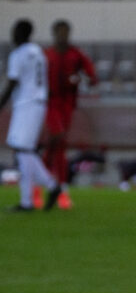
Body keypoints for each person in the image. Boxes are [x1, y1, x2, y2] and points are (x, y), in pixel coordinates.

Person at [0, 19, 60, 212]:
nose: (13, 35)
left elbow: (11, 84)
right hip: (37, 103)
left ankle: (31, 199)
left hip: (26, 103)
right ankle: (49, 187)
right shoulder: (38, 52)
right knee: (24, 150)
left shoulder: (18, 54)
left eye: (15, 31)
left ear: (21, 33)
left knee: (22, 150)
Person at [42, 20, 98, 209]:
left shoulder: (76, 55)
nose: (63, 36)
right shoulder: (46, 55)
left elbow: (92, 77)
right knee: (57, 139)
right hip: (50, 104)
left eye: (66, 32)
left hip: (67, 105)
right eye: (60, 32)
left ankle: (50, 187)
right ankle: (58, 189)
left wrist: (79, 78)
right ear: (54, 33)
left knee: (55, 146)